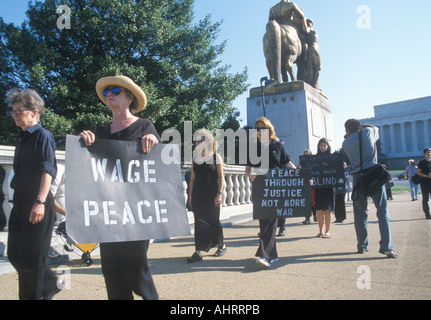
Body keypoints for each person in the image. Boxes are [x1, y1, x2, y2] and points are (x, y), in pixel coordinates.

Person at [79, 75, 159, 300]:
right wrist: (82, 142)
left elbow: (159, 167)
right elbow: (90, 168)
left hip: (136, 211)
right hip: (109, 212)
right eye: (106, 93)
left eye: (115, 91)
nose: (109, 95)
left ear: (129, 97)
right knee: (112, 270)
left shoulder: (145, 126)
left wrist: (153, 140)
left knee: (136, 268)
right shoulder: (101, 133)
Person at [7, 88, 61, 299]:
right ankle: (49, 283)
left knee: (31, 261)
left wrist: (39, 202)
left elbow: (48, 171)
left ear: (34, 112)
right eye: (13, 111)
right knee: (15, 256)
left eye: (19, 110)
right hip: (20, 202)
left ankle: (39, 292)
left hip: (37, 203)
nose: (15, 115)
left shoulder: (43, 136)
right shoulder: (22, 140)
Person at [342, 119, 398, 258]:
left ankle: (362, 245)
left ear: (347, 130)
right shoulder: (368, 132)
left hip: (358, 178)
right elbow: (375, 128)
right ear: (359, 127)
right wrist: (363, 126)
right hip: (374, 175)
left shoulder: (346, 143)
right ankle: (386, 246)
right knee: (382, 211)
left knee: (360, 214)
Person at [245, 117, 296, 268]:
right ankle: (272, 255)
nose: (260, 131)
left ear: (269, 130)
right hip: (260, 188)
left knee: (271, 222)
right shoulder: (253, 147)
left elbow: (287, 163)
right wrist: (250, 174)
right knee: (263, 222)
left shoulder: (277, 146)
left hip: (275, 187)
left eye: (263, 128)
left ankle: (264, 255)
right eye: (257, 129)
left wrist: (302, 176)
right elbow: (247, 168)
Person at [187, 129, 225, 262]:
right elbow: (192, 178)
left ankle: (221, 245)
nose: (197, 142)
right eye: (196, 140)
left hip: (212, 194)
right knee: (199, 221)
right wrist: (190, 196)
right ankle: (197, 252)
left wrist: (219, 194)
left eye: (200, 140)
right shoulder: (194, 159)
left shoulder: (216, 157)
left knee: (214, 220)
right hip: (198, 194)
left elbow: (221, 177)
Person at [314, 138, 334, 238]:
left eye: (324, 145)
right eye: (321, 145)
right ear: (318, 146)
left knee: (328, 210)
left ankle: (328, 231)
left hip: (329, 188)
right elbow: (309, 170)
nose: (323, 147)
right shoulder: (314, 158)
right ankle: (320, 231)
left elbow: (338, 170)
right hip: (318, 187)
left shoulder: (333, 157)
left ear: (327, 146)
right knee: (319, 210)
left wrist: (342, 166)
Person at [417, 148, 431, 219]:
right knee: (425, 199)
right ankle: (427, 214)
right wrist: (426, 175)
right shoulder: (421, 163)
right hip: (425, 183)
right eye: (428, 152)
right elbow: (418, 172)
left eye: (430, 152)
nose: (429, 154)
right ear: (425, 154)